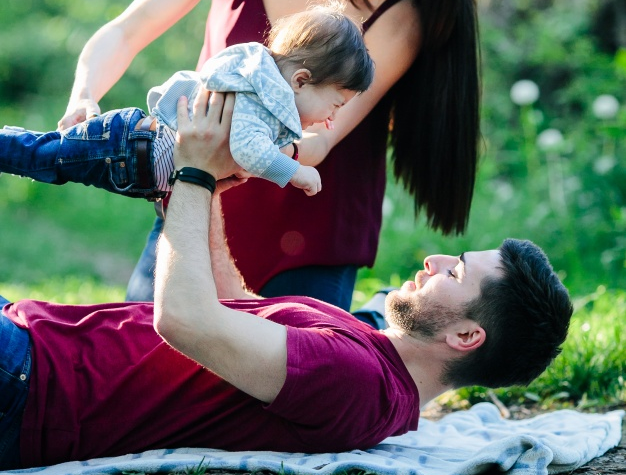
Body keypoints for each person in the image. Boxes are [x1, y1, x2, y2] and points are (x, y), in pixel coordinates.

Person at [0, 90, 572, 471]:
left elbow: (186, 319)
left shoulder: (357, 383)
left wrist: (195, 172)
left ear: (468, 337)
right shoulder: (368, 352)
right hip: (31, 343)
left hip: (31, 388)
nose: (435, 260)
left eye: (458, 271)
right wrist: (193, 192)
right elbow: (237, 307)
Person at [57, 0, 481, 310]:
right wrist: (84, 96)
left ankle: (375, 325)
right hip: (197, 202)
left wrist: (248, 147)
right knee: (143, 365)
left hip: (312, 225)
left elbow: (320, 140)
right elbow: (127, 29)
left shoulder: (400, 12)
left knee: (285, 393)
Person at [0, 6, 374, 199]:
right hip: (127, 149)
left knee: (46, 156)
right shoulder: (260, 100)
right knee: (44, 158)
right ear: (301, 80)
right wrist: (296, 172)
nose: (331, 119)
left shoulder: (265, 93)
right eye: (336, 106)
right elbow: (250, 151)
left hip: (132, 152)